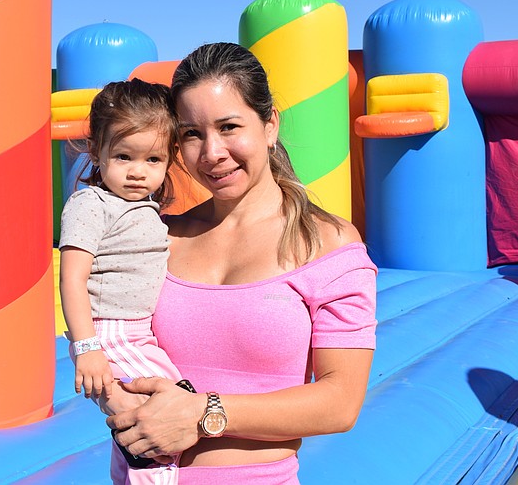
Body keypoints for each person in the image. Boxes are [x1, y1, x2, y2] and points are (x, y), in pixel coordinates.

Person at [104, 43, 378, 484]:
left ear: (269, 125)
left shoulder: (326, 245)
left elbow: (341, 402)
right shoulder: (155, 236)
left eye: (229, 126)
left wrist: (203, 412)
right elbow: (109, 335)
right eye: (192, 133)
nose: (212, 152)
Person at [58, 78, 183, 484]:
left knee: (145, 419)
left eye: (152, 161)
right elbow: (72, 278)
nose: (137, 173)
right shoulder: (90, 204)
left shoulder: (144, 205)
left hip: (138, 335)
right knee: (159, 422)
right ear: (97, 151)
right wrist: (88, 347)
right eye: (124, 157)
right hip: (112, 335)